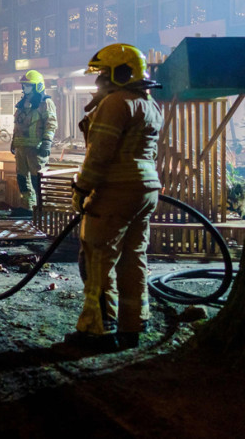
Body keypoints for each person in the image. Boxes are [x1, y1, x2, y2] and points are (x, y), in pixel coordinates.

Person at [67, 43, 162, 352]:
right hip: (146, 191)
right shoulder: (149, 104)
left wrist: (81, 188)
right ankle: (133, 325)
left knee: (99, 258)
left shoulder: (115, 103)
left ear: (120, 74)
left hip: (114, 192)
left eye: (103, 75)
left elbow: (100, 154)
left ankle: (99, 331)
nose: (98, 83)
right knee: (134, 257)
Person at [9, 70, 57, 216]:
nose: (25, 88)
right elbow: (18, 124)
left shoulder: (45, 103)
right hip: (21, 147)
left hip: (36, 148)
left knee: (38, 180)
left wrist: (47, 142)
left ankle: (44, 209)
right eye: (24, 85)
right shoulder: (23, 103)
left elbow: (51, 123)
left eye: (28, 85)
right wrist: (13, 141)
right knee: (22, 178)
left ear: (38, 86)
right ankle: (27, 207)